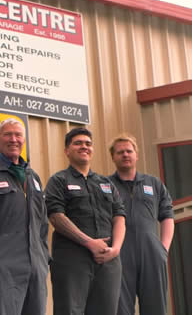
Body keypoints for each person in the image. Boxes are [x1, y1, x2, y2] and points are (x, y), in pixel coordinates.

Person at [45, 127, 126, 315]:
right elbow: (56, 216)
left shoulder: (106, 184)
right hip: (72, 260)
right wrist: (89, 243)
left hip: (108, 261)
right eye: (78, 143)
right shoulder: (58, 180)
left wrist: (116, 249)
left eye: (88, 144)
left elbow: (119, 217)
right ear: (67, 151)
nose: (84, 147)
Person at [0, 118, 50, 315]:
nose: (13, 139)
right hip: (2, 266)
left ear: (24, 140)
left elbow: (42, 222)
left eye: (18, 135)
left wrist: (43, 257)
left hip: (35, 266)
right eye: (7, 135)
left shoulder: (32, 177)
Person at [108, 134, 174, 315]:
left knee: (156, 308)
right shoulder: (105, 185)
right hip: (119, 253)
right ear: (113, 156)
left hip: (151, 252)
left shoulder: (154, 184)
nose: (125, 155)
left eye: (129, 151)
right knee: (120, 308)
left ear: (136, 155)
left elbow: (167, 215)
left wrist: (163, 249)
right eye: (120, 152)